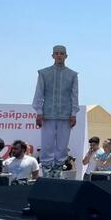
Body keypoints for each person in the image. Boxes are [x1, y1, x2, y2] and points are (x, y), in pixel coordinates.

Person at [32, 45, 79, 174]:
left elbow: (74, 95)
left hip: (66, 114)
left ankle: (58, 168)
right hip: (48, 114)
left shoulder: (72, 75)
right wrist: (39, 112)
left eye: (62, 53)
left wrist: (73, 113)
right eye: (57, 53)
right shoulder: (44, 73)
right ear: (53, 55)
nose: (59, 55)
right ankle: (47, 168)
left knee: (63, 145)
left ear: (66, 56)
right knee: (47, 143)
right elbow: (39, 93)